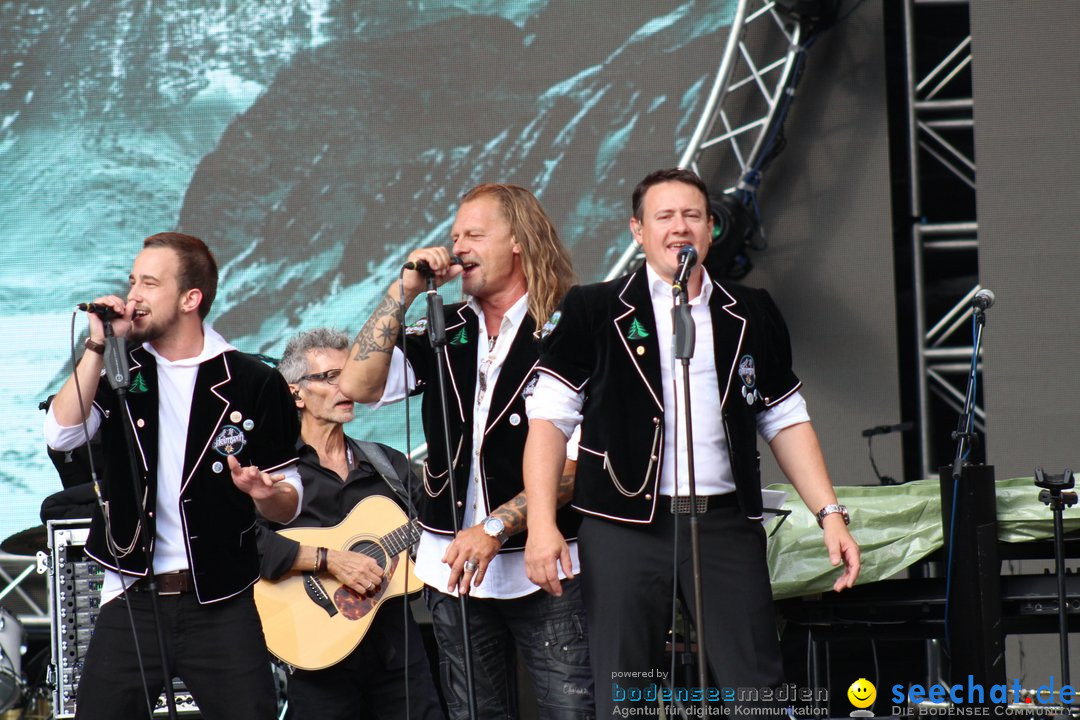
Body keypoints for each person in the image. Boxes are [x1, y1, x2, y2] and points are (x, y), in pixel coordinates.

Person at [522, 168, 862, 716]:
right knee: (626, 696)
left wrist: (830, 515)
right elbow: (549, 421)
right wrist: (541, 525)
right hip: (623, 527)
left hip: (723, 524)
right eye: (664, 216)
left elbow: (785, 418)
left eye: (692, 216)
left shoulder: (750, 311)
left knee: (758, 693)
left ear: (709, 230)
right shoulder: (594, 308)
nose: (679, 228)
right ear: (637, 230)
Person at [338, 183, 594, 720]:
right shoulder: (445, 328)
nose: (458, 248)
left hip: (545, 562)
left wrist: (496, 527)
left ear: (520, 241)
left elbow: (579, 461)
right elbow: (359, 384)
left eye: (475, 234)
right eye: (455, 236)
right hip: (451, 567)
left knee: (571, 710)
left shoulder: (573, 325)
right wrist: (402, 290)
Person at [44, 232, 302, 720]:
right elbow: (61, 434)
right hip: (132, 598)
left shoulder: (252, 380)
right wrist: (99, 345)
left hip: (222, 602)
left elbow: (290, 500)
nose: (133, 295)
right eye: (132, 280)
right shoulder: (122, 369)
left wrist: (265, 496)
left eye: (149, 283)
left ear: (190, 299)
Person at [256, 328, 443, 720]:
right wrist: (326, 560)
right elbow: (243, 542)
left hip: (396, 651)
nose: (347, 387)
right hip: (314, 652)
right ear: (295, 393)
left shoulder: (386, 463)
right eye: (329, 377)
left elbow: (438, 523)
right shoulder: (274, 473)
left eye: (350, 374)